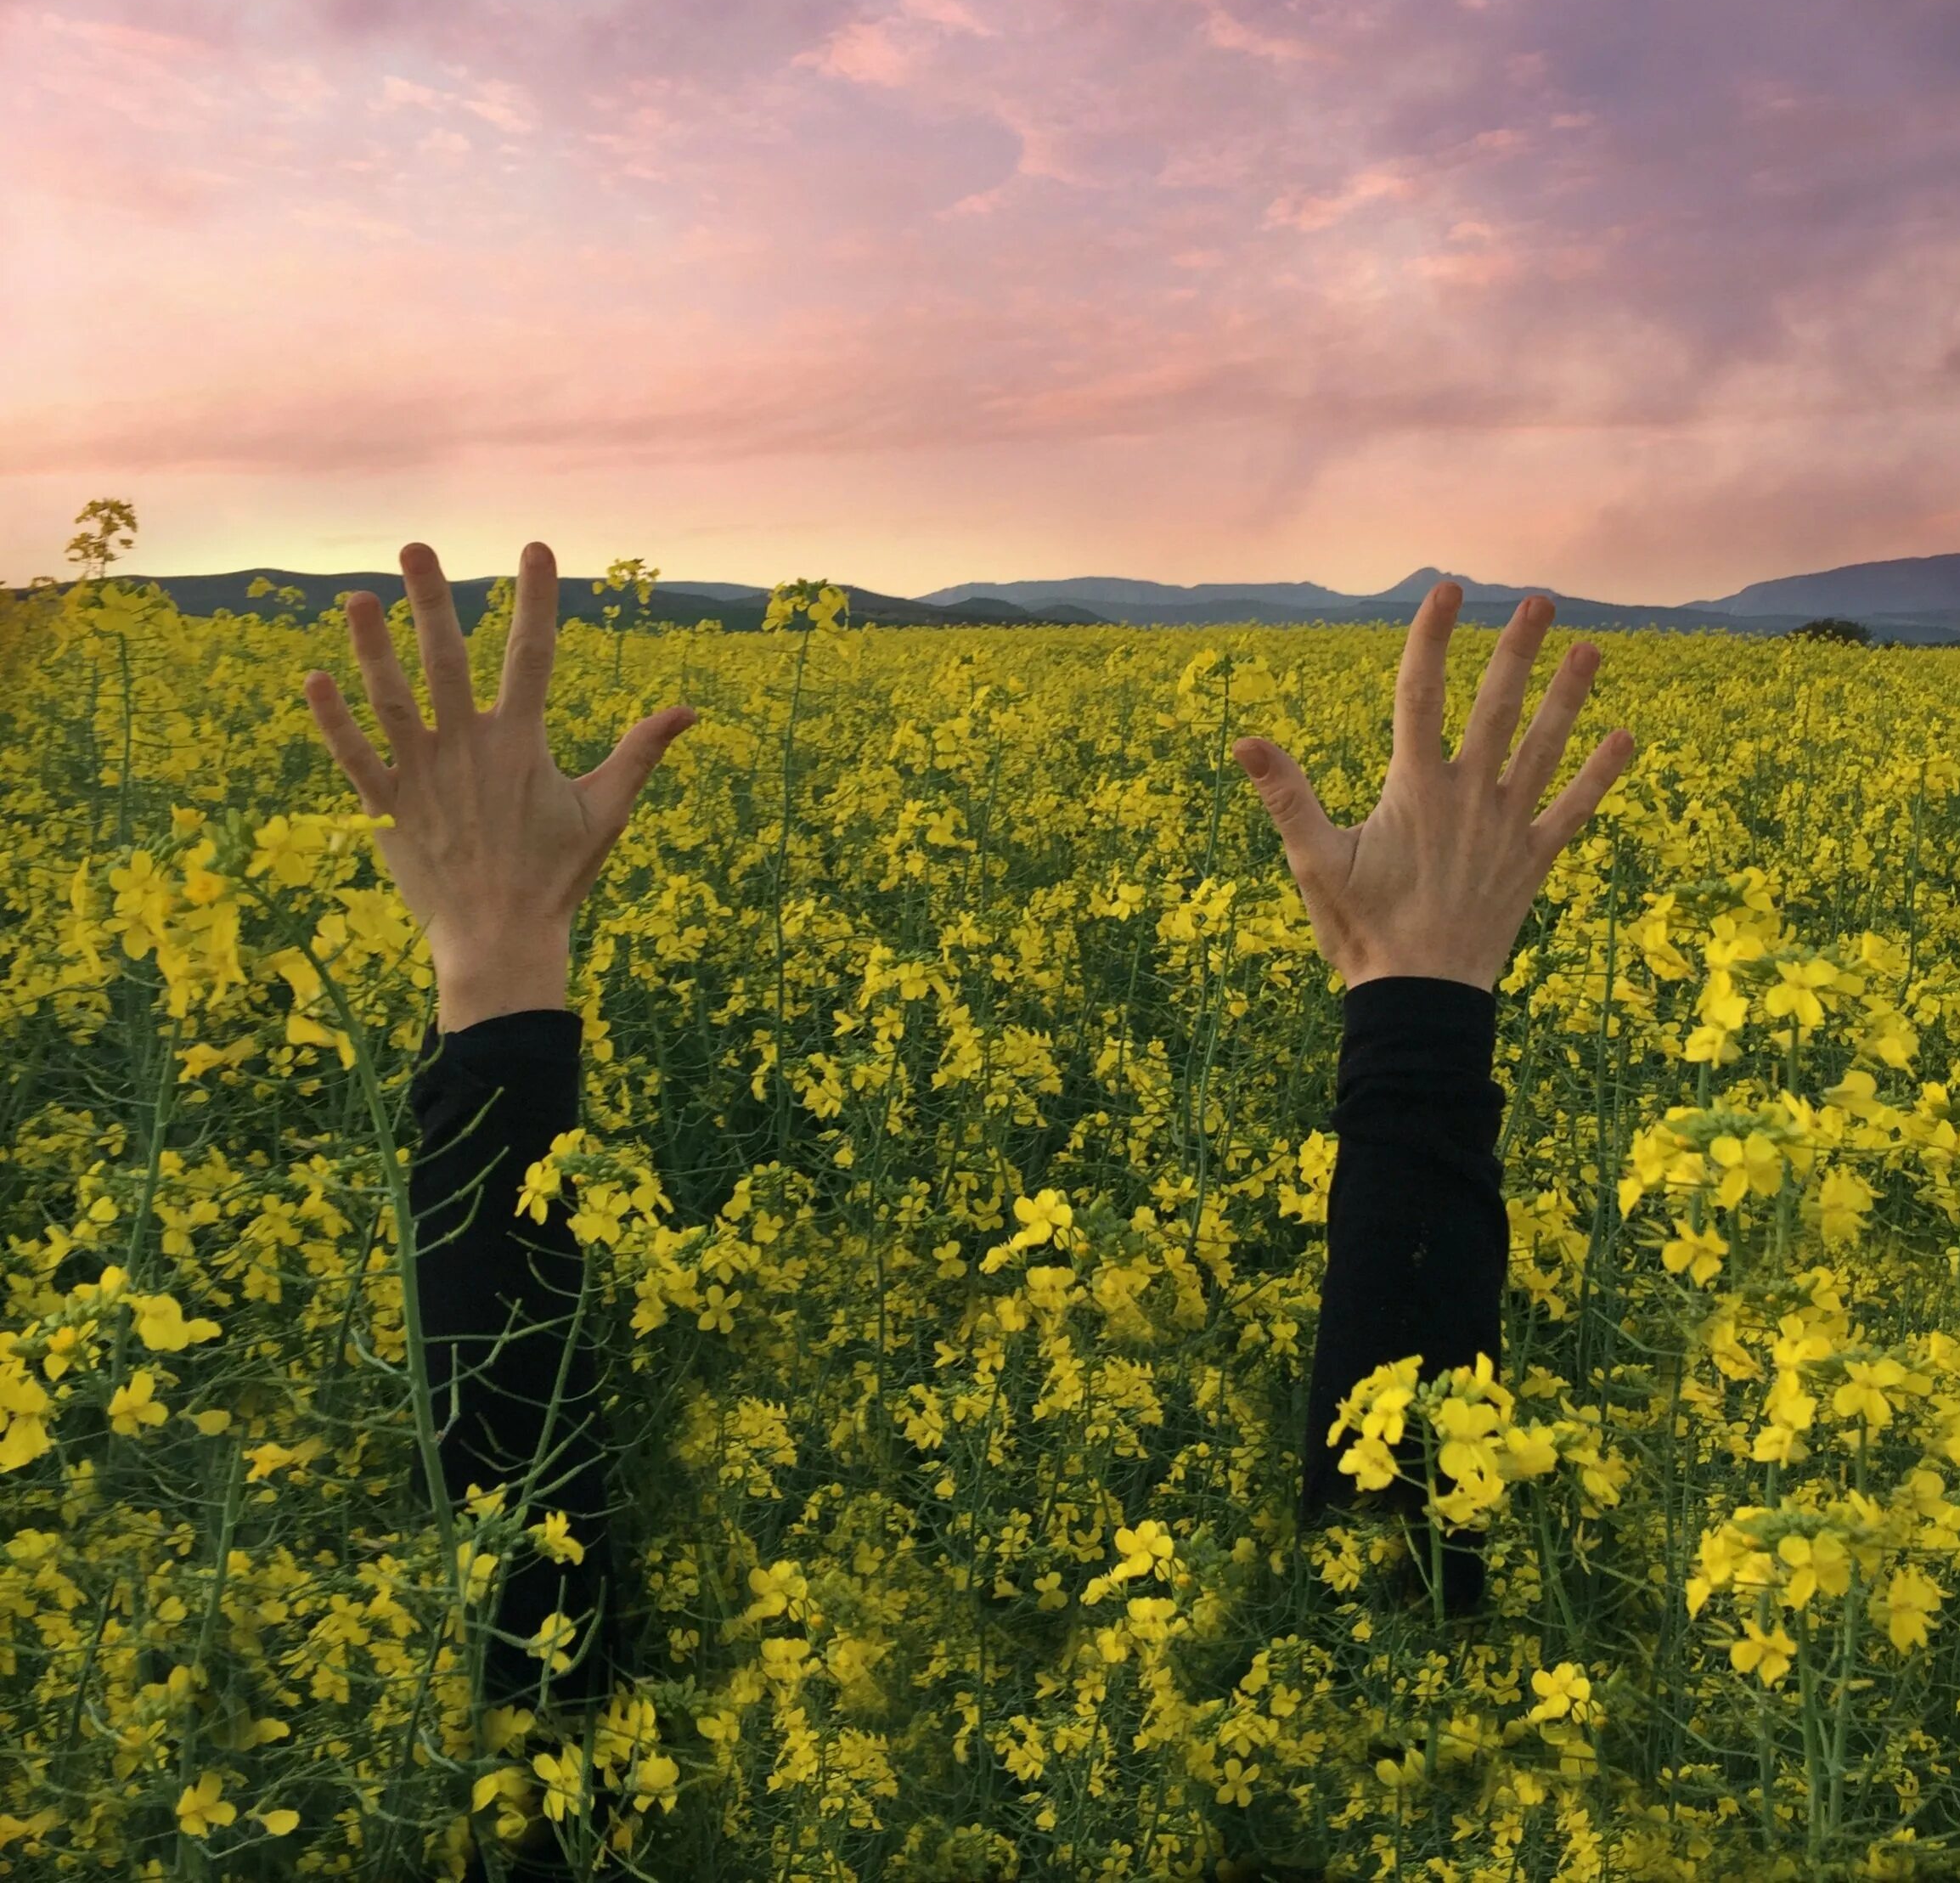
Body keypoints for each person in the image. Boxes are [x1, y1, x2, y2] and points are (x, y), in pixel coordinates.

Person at [302, 542, 1633, 1717]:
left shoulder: (553, 1780)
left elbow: (536, 1643)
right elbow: (1382, 1668)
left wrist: (490, 977)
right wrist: (1422, 1009)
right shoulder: (1372, 1761)